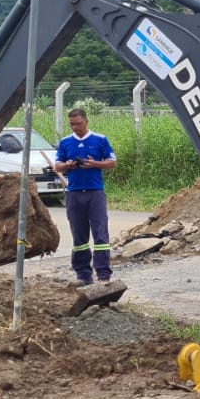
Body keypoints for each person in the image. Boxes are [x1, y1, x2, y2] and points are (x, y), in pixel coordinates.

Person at [54, 108, 118, 287]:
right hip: (74, 193)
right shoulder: (66, 142)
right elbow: (57, 166)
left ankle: (103, 274)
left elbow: (112, 162)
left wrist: (94, 164)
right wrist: (68, 165)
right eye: (72, 125)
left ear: (86, 122)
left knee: (100, 234)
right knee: (79, 236)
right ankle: (83, 274)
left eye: (78, 124)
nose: (75, 127)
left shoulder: (100, 139)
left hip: (95, 192)